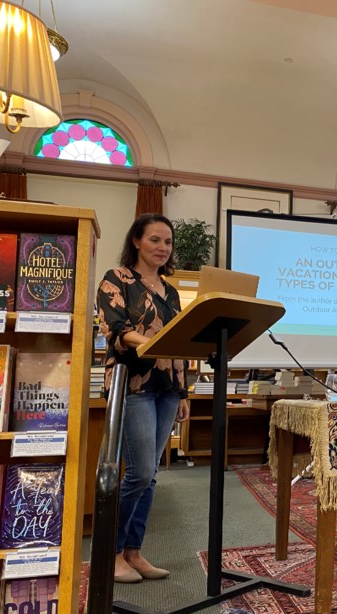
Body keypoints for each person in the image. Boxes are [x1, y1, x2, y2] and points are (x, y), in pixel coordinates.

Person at [97, 213, 190, 584]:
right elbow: (116, 329)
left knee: (150, 477)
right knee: (140, 473)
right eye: (155, 240)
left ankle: (134, 552)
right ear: (137, 241)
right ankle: (111, 552)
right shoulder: (117, 279)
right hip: (132, 384)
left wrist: (183, 392)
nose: (162, 248)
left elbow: (181, 342)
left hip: (167, 388)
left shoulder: (171, 291)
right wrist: (150, 343)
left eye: (167, 242)